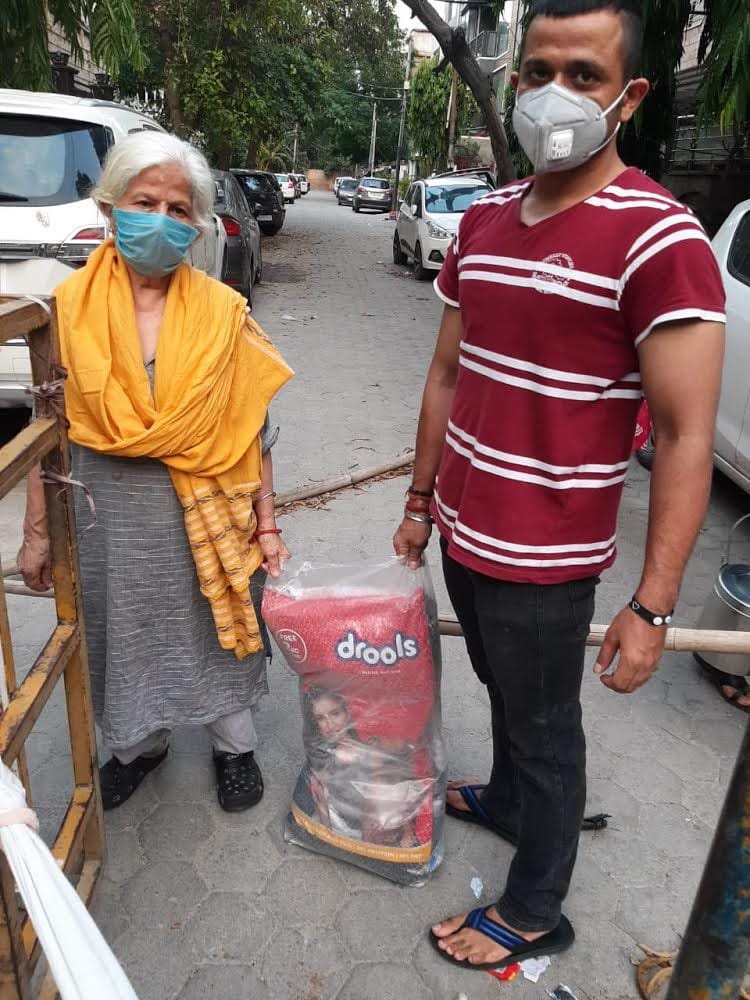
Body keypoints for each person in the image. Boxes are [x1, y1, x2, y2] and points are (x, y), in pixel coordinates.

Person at [393, 0, 725, 971]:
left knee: (546, 728)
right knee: (502, 692)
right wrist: (420, 504)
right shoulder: (485, 219)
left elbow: (684, 434)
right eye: (538, 71)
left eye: (583, 75)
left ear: (630, 97)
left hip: (548, 561)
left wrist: (654, 606)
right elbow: (448, 375)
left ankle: (538, 903)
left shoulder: (661, 241)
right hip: (464, 530)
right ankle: (504, 798)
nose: (553, 95)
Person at [18, 132, 293, 814]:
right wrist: (36, 534)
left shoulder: (223, 312)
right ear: (111, 208)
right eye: (146, 202)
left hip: (204, 514)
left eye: (178, 208)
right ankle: (140, 747)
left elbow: (251, 426)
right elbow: (47, 435)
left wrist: (267, 525)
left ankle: (235, 747)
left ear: (196, 225)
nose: (162, 220)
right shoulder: (68, 308)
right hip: (107, 519)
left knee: (215, 626)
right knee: (125, 637)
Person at [300, 686, 420, 848]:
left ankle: (401, 831)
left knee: (384, 777)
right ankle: (376, 842)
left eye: (335, 714)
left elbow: (398, 775)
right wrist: (326, 835)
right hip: (351, 816)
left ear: (348, 713)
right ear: (316, 725)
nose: (330, 724)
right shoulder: (323, 756)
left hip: (386, 811)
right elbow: (321, 797)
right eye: (321, 719)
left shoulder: (368, 741)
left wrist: (407, 832)